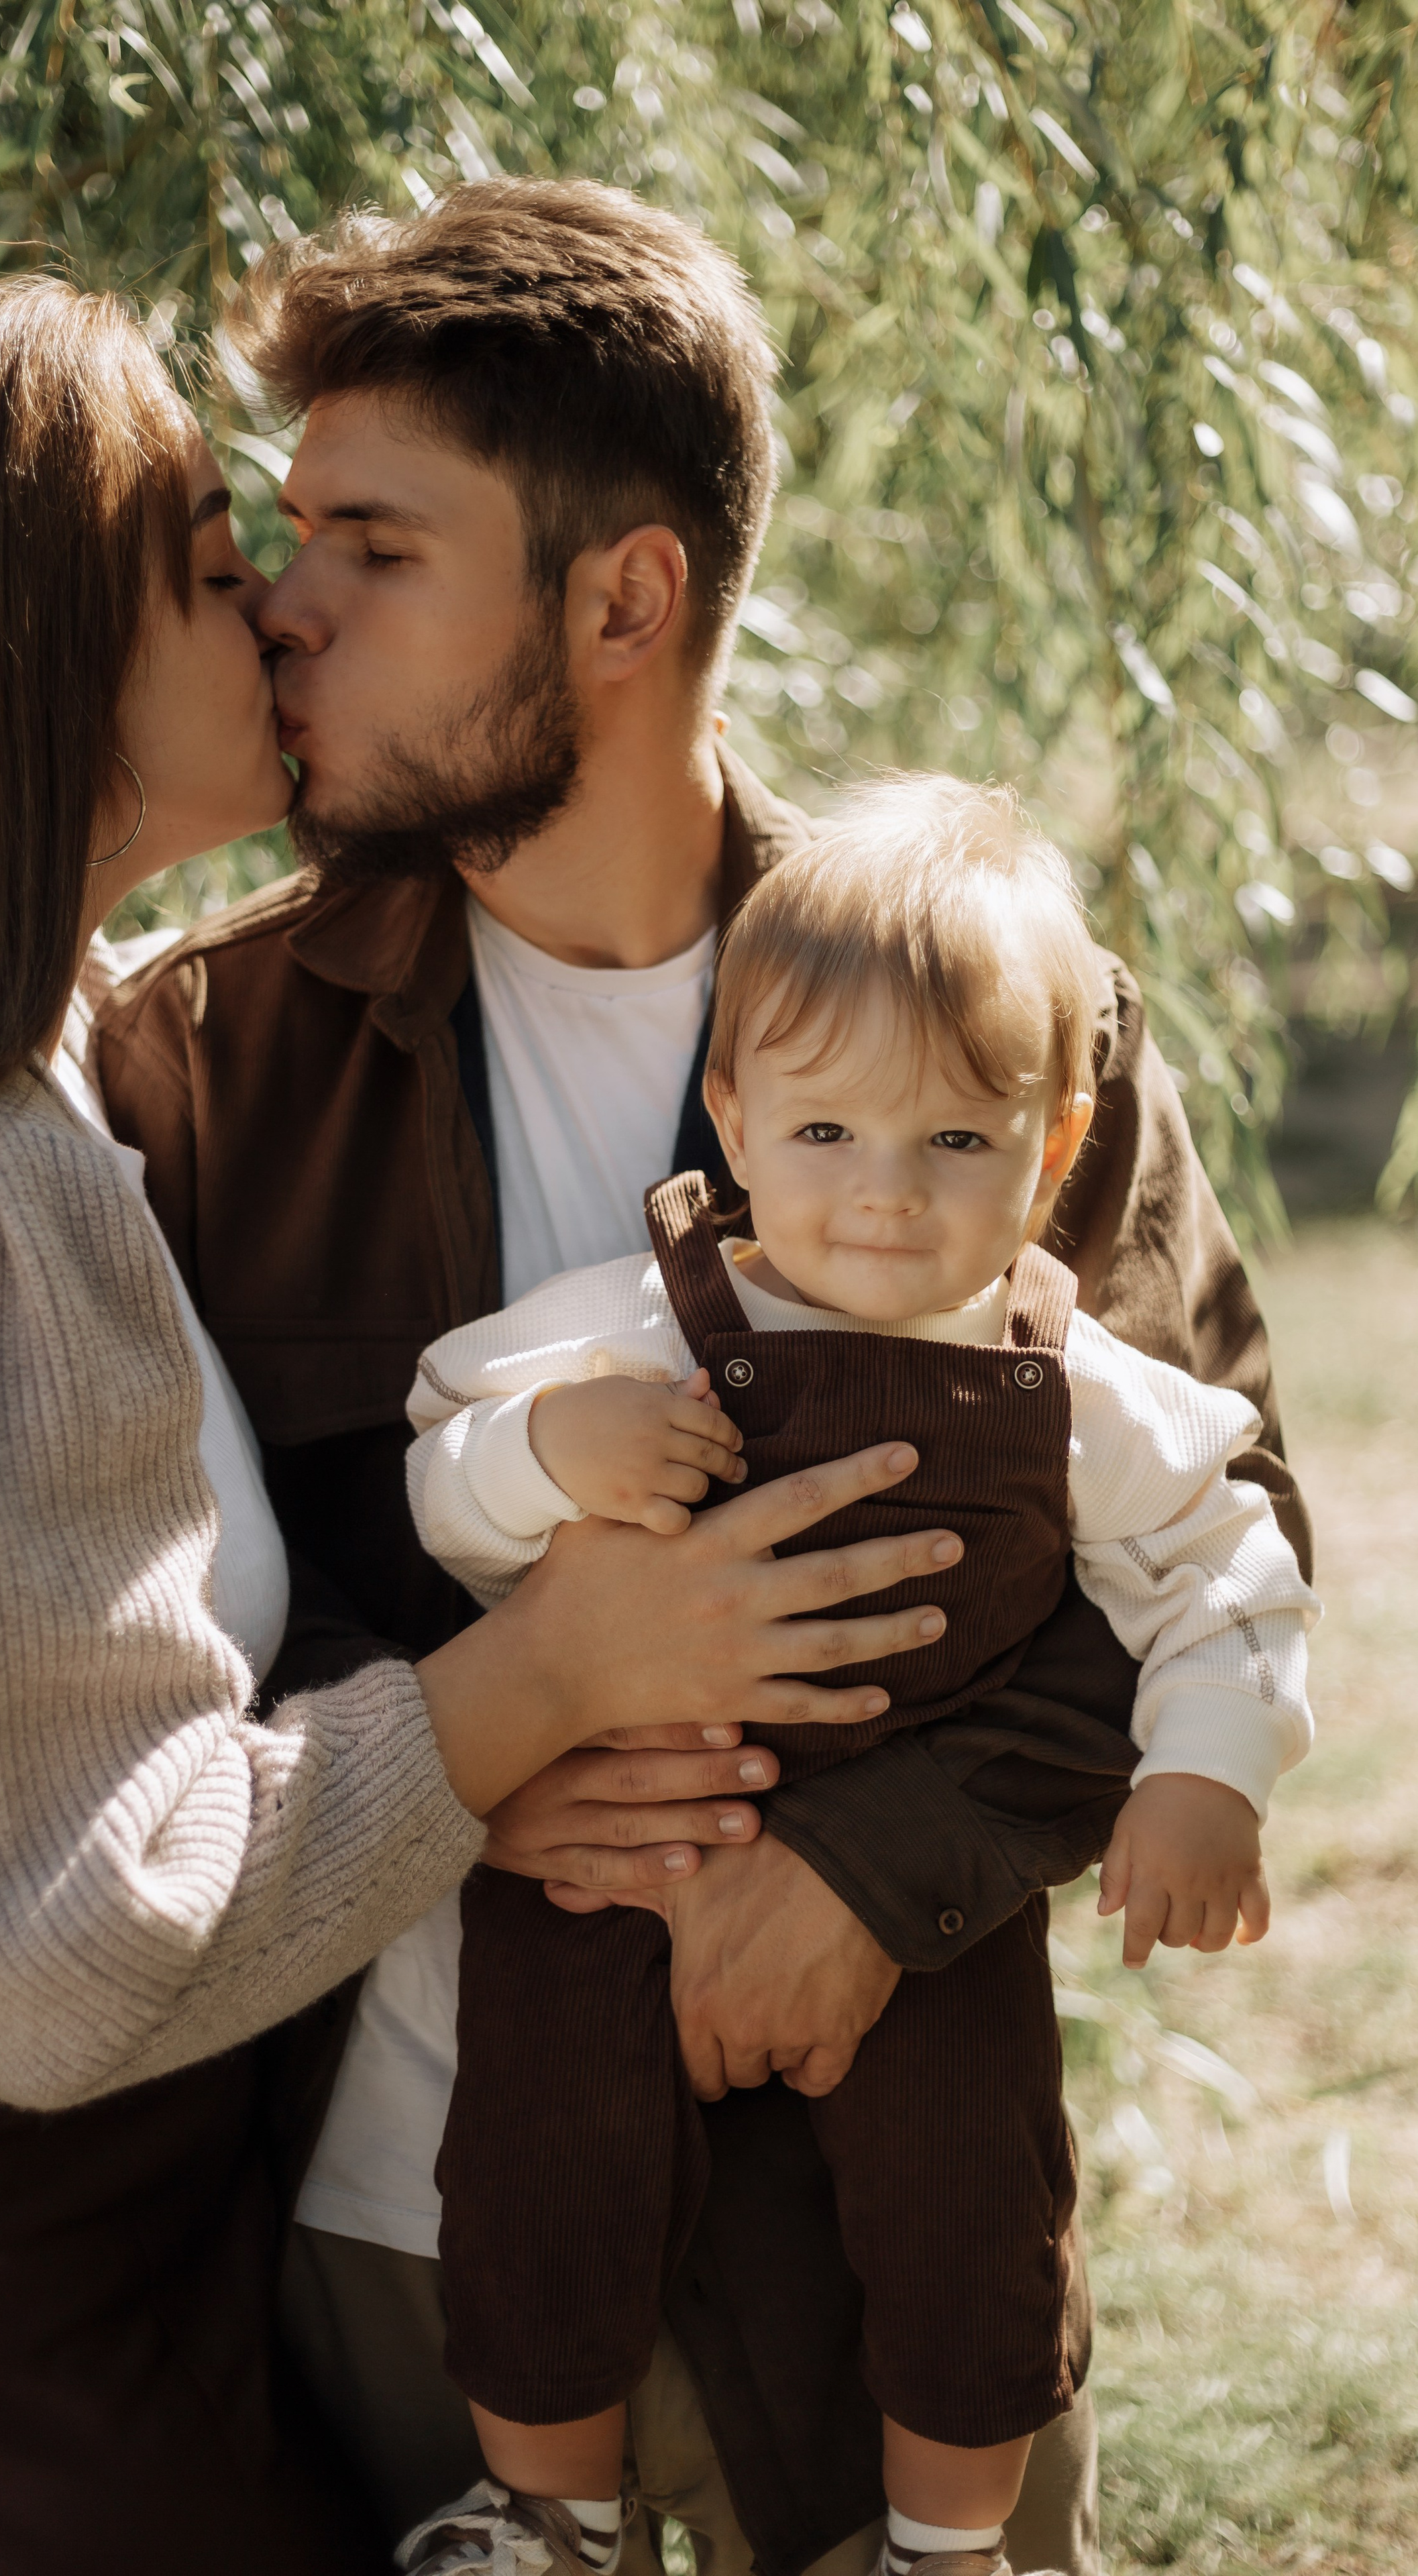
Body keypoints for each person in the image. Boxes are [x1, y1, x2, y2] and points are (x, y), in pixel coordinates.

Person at [94, 180, 1312, 2574]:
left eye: (371, 543)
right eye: (288, 533)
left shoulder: (994, 1022)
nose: (282, 602)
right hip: (400, 2218)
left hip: (882, 2232)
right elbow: (137, 1631)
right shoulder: (195, 1066)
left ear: (623, 596)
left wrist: (872, 1875)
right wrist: (451, 1763)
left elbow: (1213, 1527)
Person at [0, 277, 951, 2575]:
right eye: (213, 563)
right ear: (21, 655)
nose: (274, 607)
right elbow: (67, 1918)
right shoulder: (3, 1137)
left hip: (132, 2234)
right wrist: (542, 1686)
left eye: (350, 553)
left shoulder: (30, 1083)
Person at [396, 780, 1317, 2576]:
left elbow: (1227, 1559)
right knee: (540, 2161)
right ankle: (549, 2512)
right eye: (824, 1129)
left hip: (923, 1904)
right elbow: (441, 1465)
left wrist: (1209, 1771)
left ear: (1055, 1149)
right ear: (732, 1118)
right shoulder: (648, 1326)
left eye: (955, 1147)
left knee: (974, 2197)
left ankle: (950, 2543)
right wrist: (554, 1453)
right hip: (623, 1854)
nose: (885, 1200)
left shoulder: (1062, 1375)